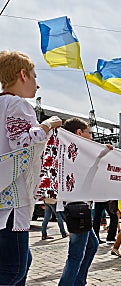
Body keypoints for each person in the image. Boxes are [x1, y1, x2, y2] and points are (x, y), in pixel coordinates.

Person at [0, 51, 62, 285]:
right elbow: (22, 145)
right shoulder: (18, 104)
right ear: (22, 75)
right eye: (35, 77)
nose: (37, 84)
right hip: (13, 198)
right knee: (13, 270)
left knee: (22, 262)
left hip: (5, 196)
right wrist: (47, 125)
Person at [59, 117, 112, 286]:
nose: (92, 136)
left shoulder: (73, 150)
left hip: (79, 207)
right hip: (77, 209)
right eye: (90, 133)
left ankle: (79, 282)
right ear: (79, 133)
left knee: (92, 245)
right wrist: (103, 153)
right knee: (75, 255)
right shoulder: (76, 152)